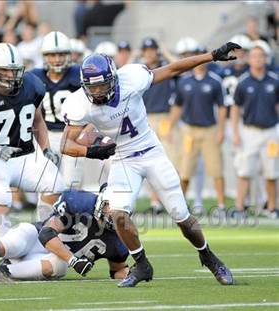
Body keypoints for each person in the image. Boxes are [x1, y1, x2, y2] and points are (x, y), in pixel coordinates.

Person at [60, 42, 241, 287]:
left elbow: (173, 68)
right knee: (117, 215)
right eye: (93, 87)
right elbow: (66, 145)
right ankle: (142, 264)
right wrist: (91, 151)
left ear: (113, 78)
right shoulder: (79, 103)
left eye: (103, 84)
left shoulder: (132, 78)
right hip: (123, 157)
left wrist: (211, 56)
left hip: (151, 152)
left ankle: (208, 257)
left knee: (182, 218)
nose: (99, 91)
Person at [0, 43, 64, 240]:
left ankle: (43, 234)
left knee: (56, 183)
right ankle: (3, 247)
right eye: (5, 71)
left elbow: (38, 121)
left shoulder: (32, 86)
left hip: (24, 156)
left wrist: (45, 149)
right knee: (2, 198)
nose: (10, 75)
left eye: (14, 71)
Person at [0, 189, 129, 282]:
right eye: (109, 206)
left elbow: (118, 269)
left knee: (58, 267)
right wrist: (73, 259)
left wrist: (132, 273)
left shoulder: (119, 241)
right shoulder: (78, 202)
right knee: (11, 243)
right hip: (35, 238)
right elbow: (47, 233)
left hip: (44, 260)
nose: (112, 212)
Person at [169, 47, 228, 215]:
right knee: (185, 169)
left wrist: (221, 130)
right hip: (189, 131)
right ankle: (180, 207)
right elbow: (177, 106)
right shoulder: (184, 81)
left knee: (216, 169)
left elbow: (222, 107)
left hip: (210, 129)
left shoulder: (215, 81)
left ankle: (222, 206)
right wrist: (170, 128)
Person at [31, 31, 84, 189]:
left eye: (61, 55)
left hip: (73, 134)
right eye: (52, 55)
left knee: (71, 184)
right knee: (47, 183)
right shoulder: (35, 77)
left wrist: (84, 132)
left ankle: (72, 214)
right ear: (44, 57)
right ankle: (45, 214)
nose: (57, 59)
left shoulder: (78, 74)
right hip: (48, 134)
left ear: (69, 55)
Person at [231, 45, 279, 219]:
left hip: (271, 132)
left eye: (261, 56)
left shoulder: (274, 81)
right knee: (244, 171)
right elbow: (235, 108)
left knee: (272, 172)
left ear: (265, 58)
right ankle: (239, 207)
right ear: (249, 59)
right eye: (254, 56)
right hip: (249, 132)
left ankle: (272, 208)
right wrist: (235, 132)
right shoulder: (243, 82)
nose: (258, 59)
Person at [141, 38, 179, 214]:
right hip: (145, 118)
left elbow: (181, 69)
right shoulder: (139, 69)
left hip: (164, 118)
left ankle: (169, 200)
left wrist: (165, 53)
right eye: (146, 50)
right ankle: (155, 202)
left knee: (169, 159)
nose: (149, 53)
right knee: (149, 161)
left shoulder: (165, 67)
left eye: (152, 49)